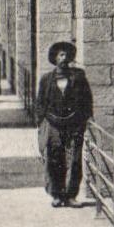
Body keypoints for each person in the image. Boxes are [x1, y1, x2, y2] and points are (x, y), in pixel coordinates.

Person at [34, 40, 93, 207]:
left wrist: (85, 118)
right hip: (53, 124)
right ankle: (57, 195)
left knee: (74, 159)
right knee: (54, 159)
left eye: (66, 55)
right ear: (55, 58)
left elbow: (87, 99)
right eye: (60, 54)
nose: (64, 57)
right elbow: (40, 102)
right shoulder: (47, 79)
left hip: (74, 124)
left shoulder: (78, 76)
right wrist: (41, 122)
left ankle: (71, 195)